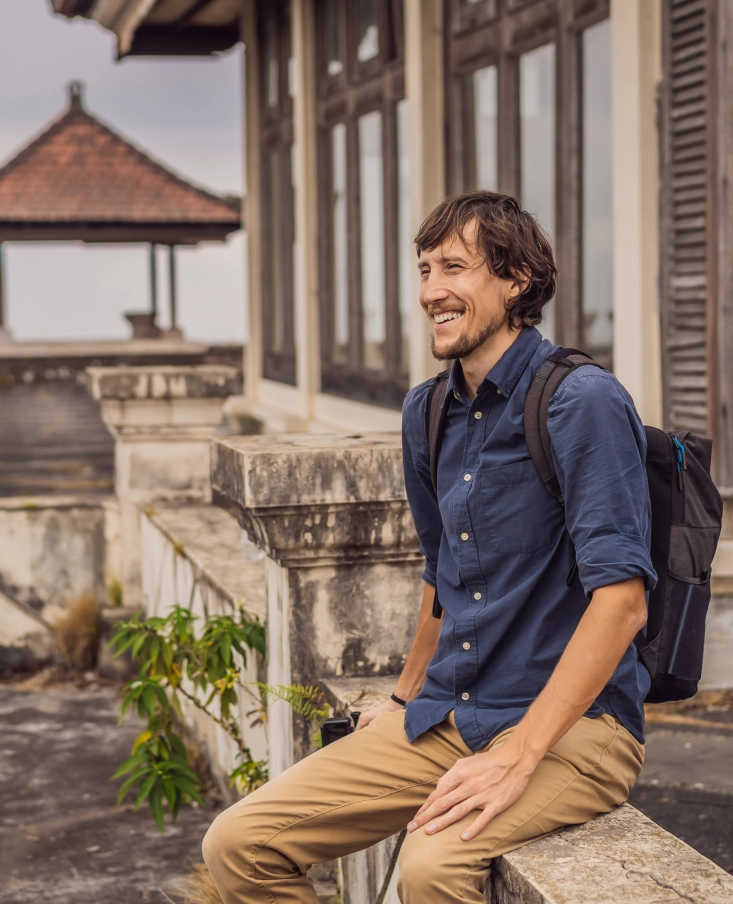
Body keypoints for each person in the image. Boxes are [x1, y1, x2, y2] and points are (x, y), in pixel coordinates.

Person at [202, 190, 656, 903]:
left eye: (454, 267)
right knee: (238, 843)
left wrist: (518, 755)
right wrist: (403, 693)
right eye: (422, 271)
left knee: (432, 867)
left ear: (516, 281)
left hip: (577, 730)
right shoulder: (428, 409)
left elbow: (622, 604)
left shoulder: (581, 401)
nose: (431, 291)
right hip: (450, 712)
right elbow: (442, 572)